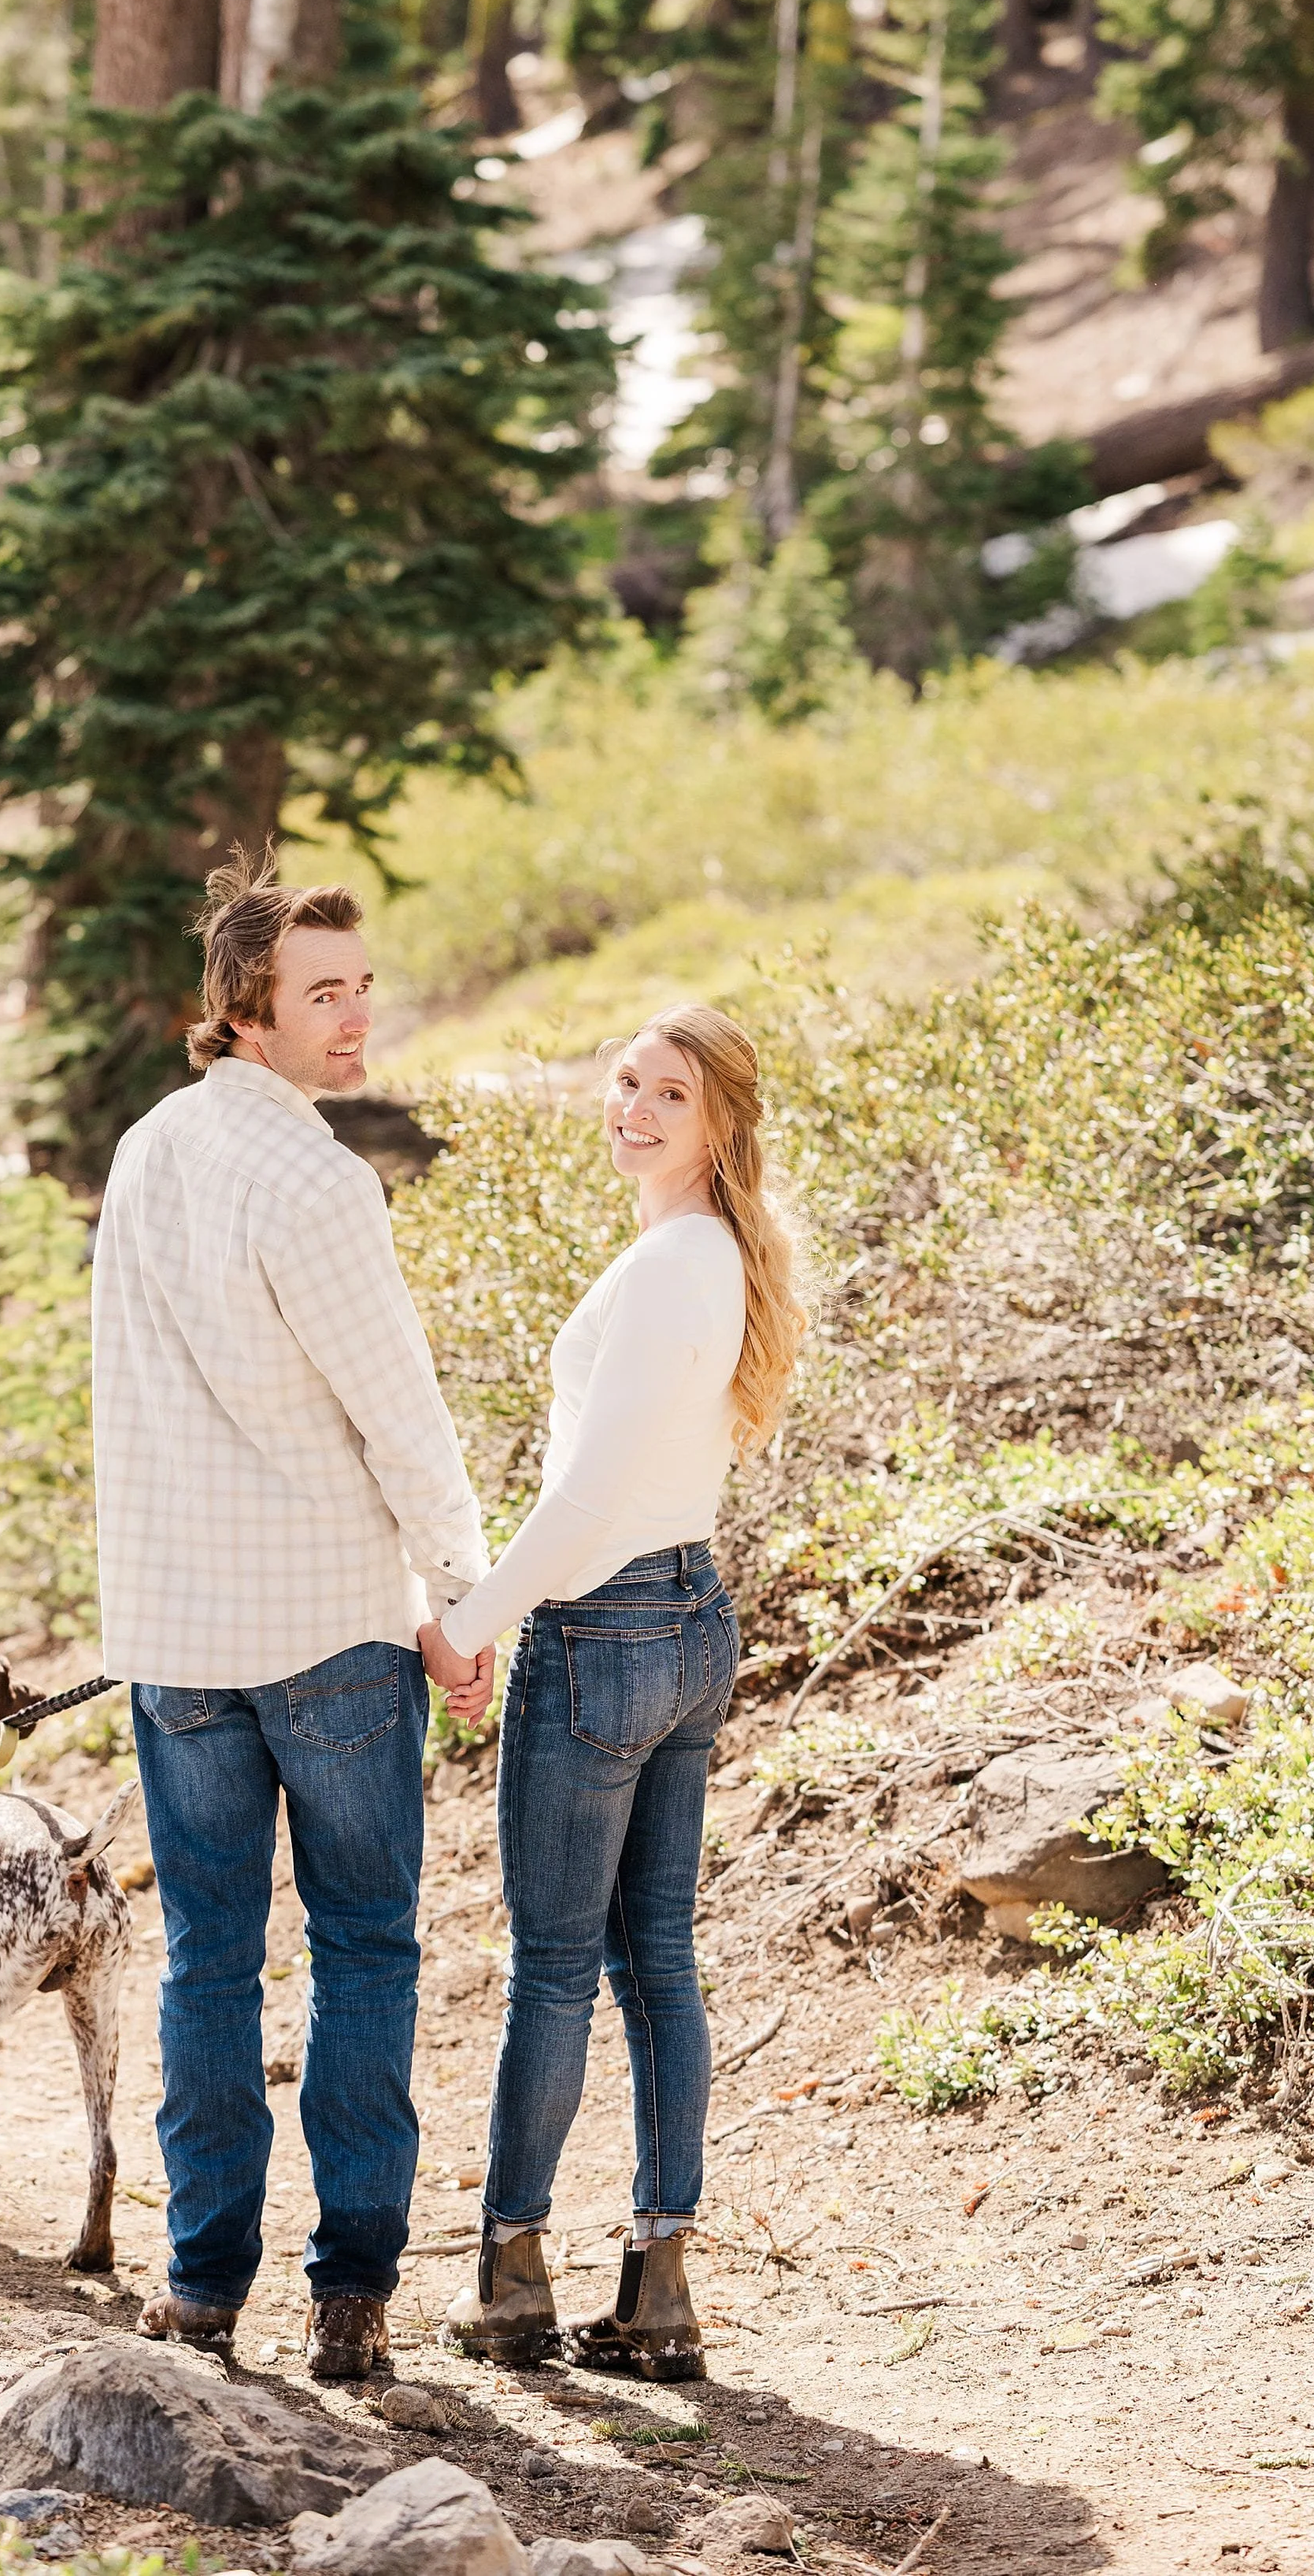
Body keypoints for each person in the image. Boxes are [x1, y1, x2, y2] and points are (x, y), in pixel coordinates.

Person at [92, 854, 492, 2380]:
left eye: (360, 982)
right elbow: (401, 1418)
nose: (354, 1015)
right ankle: (350, 2292)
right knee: (364, 1952)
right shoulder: (319, 1181)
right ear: (243, 1019)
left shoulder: (144, 1150)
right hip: (326, 1627)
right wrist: (456, 1597)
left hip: (173, 1630)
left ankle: (200, 2285)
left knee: (205, 1961)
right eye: (320, 994)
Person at [419, 1004, 805, 2377]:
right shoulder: (703, 1256)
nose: (631, 1105)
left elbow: (585, 1500)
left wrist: (470, 1622)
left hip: (607, 1628)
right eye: (625, 1080)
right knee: (657, 1966)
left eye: (669, 1092)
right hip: (692, 1616)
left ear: (720, 1124)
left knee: (553, 1973)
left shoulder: (673, 1268)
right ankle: (657, 2287)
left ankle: (513, 2274)